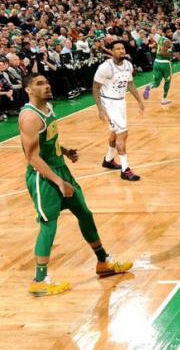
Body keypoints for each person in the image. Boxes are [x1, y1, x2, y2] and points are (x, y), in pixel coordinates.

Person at [19, 73, 133, 297]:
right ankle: (39, 280)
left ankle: (103, 262)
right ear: (29, 90)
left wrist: (65, 150)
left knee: (85, 213)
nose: (47, 86)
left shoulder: (48, 108)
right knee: (48, 225)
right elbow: (32, 157)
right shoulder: (29, 117)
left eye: (47, 82)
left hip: (60, 170)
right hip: (43, 178)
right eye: (39, 84)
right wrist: (58, 181)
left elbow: (49, 143)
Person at [92, 40, 145, 181]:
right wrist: (100, 109)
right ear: (111, 51)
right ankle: (125, 169)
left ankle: (108, 160)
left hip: (121, 102)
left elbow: (130, 84)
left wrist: (139, 100)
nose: (121, 51)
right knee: (123, 133)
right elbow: (95, 88)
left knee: (114, 133)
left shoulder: (128, 64)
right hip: (108, 103)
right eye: (117, 49)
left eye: (122, 48)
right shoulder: (105, 67)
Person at [143, 27, 175, 105]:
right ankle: (164, 99)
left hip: (157, 62)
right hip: (165, 64)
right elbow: (162, 53)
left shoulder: (161, 38)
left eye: (171, 31)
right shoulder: (167, 41)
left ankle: (149, 86)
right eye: (168, 32)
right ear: (164, 33)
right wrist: (173, 54)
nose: (170, 33)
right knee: (167, 81)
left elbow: (158, 48)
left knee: (156, 83)